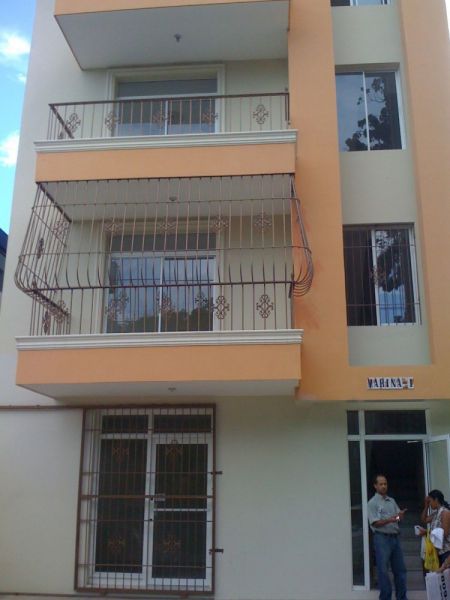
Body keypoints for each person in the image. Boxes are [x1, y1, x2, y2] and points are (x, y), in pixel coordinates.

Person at [367, 474, 408, 600]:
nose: (384, 486)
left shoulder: (391, 501)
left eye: (385, 484)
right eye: (381, 484)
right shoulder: (372, 503)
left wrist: (400, 516)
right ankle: (385, 597)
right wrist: (391, 519)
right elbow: (375, 523)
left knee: (400, 570)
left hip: (395, 537)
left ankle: (402, 597)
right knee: (383, 571)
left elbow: (396, 518)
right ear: (375, 486)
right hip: (382, 538)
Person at [418, 489, 450, 567]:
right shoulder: (435, 514)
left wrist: (427, 532)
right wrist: (426, 506)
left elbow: (445, 533)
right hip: (437, 552)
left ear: (436, 500)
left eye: (430, 501)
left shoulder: (445, 512)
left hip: (446, 551)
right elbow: (424, 520)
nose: (430, 504)